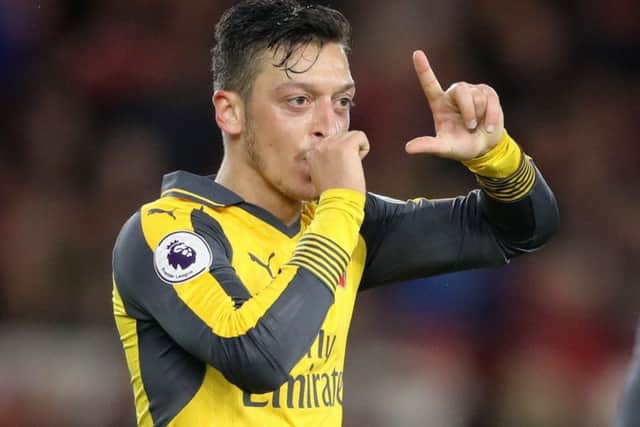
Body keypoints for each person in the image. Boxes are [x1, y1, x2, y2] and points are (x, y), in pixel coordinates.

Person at [111, 0, 559, 425]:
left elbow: (522, 229)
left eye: (342, 102)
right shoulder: (167, 232)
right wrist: (341, 204)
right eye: (299, 102)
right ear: (231, 112)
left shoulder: (342, 222)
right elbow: (256, 357)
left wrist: (495, 155)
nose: (329, 126)